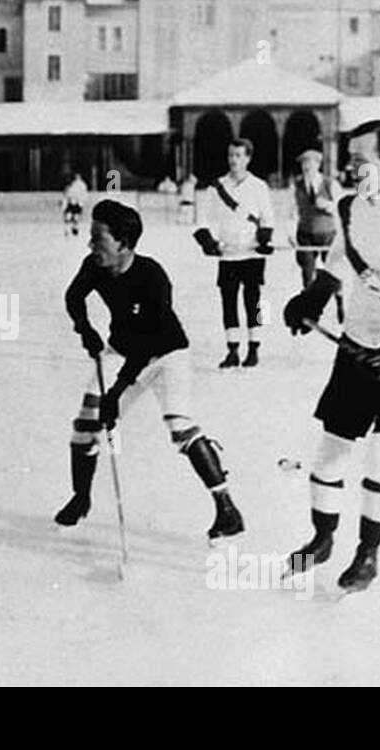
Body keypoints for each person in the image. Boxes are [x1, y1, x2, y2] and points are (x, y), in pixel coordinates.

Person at [281, 119, 380, 594]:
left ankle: (367, 554)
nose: (349, 169)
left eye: (359, 161)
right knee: (331, 454)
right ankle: (323, 538)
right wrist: (315, 295)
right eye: (348, 160)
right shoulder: (350, 206)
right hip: (356, 344)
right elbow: (339, 259)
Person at [55, 199, 244, 543]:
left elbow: (149, 342)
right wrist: (85, 329)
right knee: (85, 427)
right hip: (122, 349)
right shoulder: (94, 265)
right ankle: (81, 499)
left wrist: (115, 393)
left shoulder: (152, 277)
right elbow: (73, 297)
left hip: (168, 354)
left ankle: (227, 509)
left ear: (124, 243)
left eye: (99, 238)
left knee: (181, 428)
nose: (90, 244)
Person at [193, 138, 276, 368]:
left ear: (248, 158)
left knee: (256, 303)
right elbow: (202, 220)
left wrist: (263, 239)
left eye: (239, 156)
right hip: (228, 255)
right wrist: (210, 243)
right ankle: (232, 350)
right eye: (231, 155)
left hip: (252, 255)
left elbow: (268, 217)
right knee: (228, 302)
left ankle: (255, 347)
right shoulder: (216, 187)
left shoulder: (259, 186)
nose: (234, 160)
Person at [291, 147, 344, 322]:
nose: (306, 167)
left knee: (333, 270)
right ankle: (309, 310)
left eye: (310, 163)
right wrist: (289, 233)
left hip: (327, 233)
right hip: (305, 233)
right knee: (307, 272)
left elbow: (341, 208)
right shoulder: (298, 184)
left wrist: (327, 205)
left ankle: (340, 302)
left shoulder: (330, 184)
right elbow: (292, 211)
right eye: (303, 163)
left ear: (318, 164)